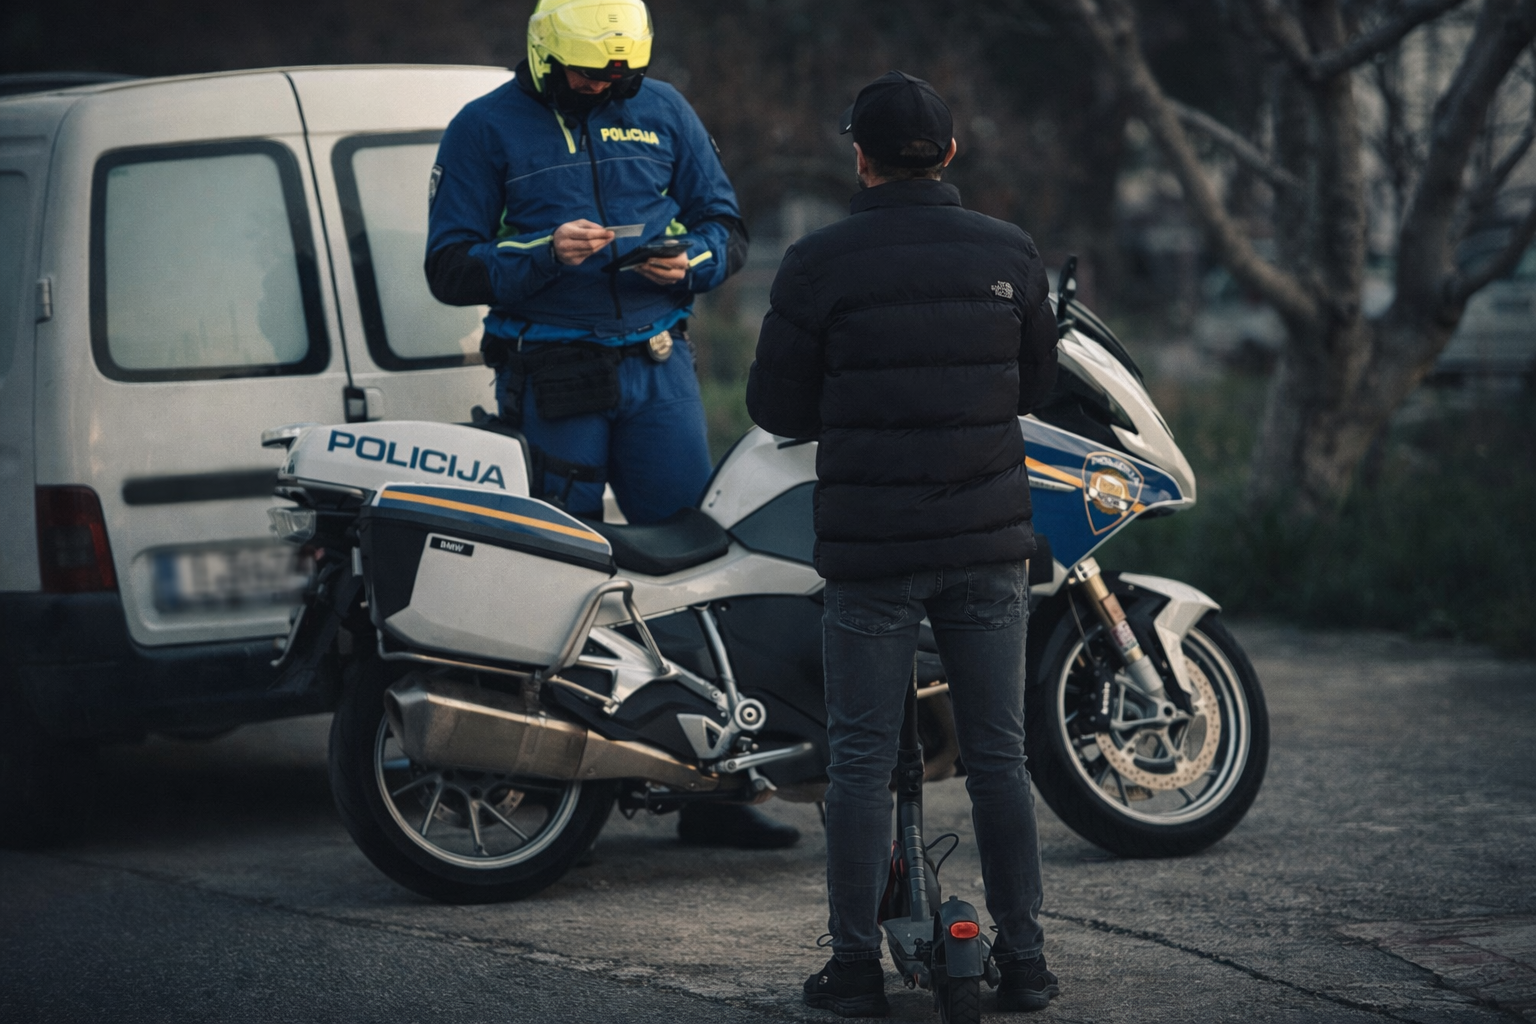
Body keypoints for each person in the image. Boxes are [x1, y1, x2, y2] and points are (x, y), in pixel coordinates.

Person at [424, 0, 796, 851]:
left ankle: (712, 792)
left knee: (698, 569)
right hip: (553, 376)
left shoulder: (662, 109)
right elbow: (448, 266)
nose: (605, 86)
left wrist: (693, 260)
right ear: (544, 56)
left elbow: (727, 229)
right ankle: (555, 790)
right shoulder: (484, 128)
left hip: (657, 371)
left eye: (620, 74)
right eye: (590, 74)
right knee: (559, 575)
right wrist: (542, 255)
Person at [746, 72, 1063, 1016]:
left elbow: (775, 407)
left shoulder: (816, 262)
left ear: (861, 158)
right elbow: (1036, 387)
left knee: (857, 761)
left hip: (872, 553)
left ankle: (855, 971)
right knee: (1000, 759)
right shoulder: (1011, 251)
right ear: (950, 154)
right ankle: (1027, 962)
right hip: (987, 546)